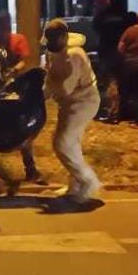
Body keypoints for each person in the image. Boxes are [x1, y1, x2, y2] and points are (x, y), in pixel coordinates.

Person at [43, 19, 101, 203]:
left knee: (64, 143)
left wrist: (48, 86)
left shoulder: (75, 54)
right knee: (69, 143)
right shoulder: (54, 52)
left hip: (84, 100)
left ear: (64, 37)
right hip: (68, 102)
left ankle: (89, 182)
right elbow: (52, 80)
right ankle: (75, 185)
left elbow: (65, 87)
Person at [0, 10, 45, 184]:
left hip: (16, 86)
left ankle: (31, 169)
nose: (3, 31)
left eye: (5, 26)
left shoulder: (18, 40)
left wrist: (14, 71)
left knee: (22, 128)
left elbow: (24, 60)